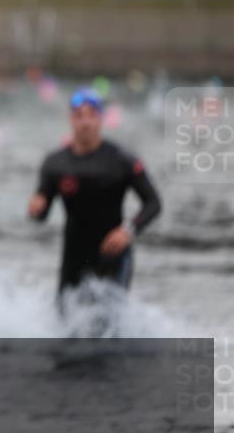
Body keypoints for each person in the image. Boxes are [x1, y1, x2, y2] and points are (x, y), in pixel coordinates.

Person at [28, 88, 162, 310]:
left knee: (107, 329)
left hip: (113, 255)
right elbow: (41, 215)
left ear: (101, 119)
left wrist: (128, 230)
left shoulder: (121, 160)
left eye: (91, 115)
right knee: (66, 330)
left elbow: (154, 203)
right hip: (73, 257)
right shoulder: (55, 163)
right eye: (79, 115)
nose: (85, 122)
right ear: (71, 120)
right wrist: (35, 209)